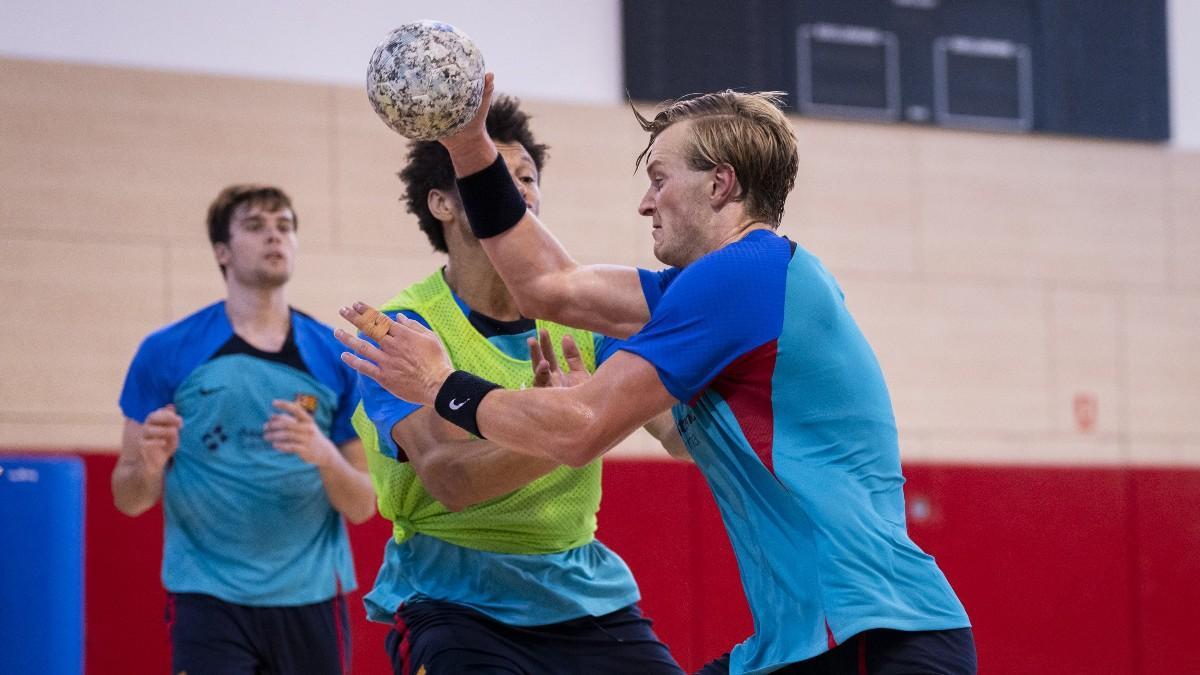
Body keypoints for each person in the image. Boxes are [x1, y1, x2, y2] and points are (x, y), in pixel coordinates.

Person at [336, 76, 976, 675]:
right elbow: (548, 286)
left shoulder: (742, 277)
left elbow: (581, 427)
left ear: (720, 185)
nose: (645, 203)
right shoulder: (727, 284)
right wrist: (469, 143)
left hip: (872, 634)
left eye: (660, 179)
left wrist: (442, 386)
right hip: (821, 637)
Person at [350, 94, 684, 675]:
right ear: (442, 203)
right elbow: (450, 479)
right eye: (498, 176)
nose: (519, 191)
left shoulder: (585, 315)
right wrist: (571, 424)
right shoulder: (402, 330)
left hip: (581, 596)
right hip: (454, 602)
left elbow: (679, 437)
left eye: (527, 178)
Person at [113, 184, 374, 675]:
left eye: (285, 226)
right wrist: (147, 467)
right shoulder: (166, 351)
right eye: (255, 226)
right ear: (222, 251)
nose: (275, 237)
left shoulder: (334, 356)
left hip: (312, 597)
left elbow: (362, 505)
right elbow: (129, 498)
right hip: (208, 598)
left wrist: (324, 455)